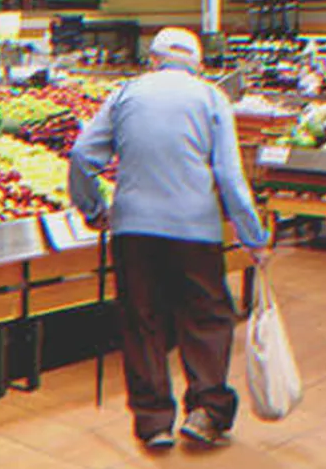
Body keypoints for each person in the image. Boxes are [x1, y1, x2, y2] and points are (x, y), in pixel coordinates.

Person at [67, 27, 270, 450]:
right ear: (196, 63)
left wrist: (94, 210)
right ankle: (207, 412)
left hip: (133, 228)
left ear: (153, 59)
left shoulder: (125, 94)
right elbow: (230, 177)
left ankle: (153, 422)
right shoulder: (211, 97)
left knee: (142, 319)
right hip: (194, 228)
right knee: (207, 316)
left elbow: (83, 155)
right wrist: (253, 235)